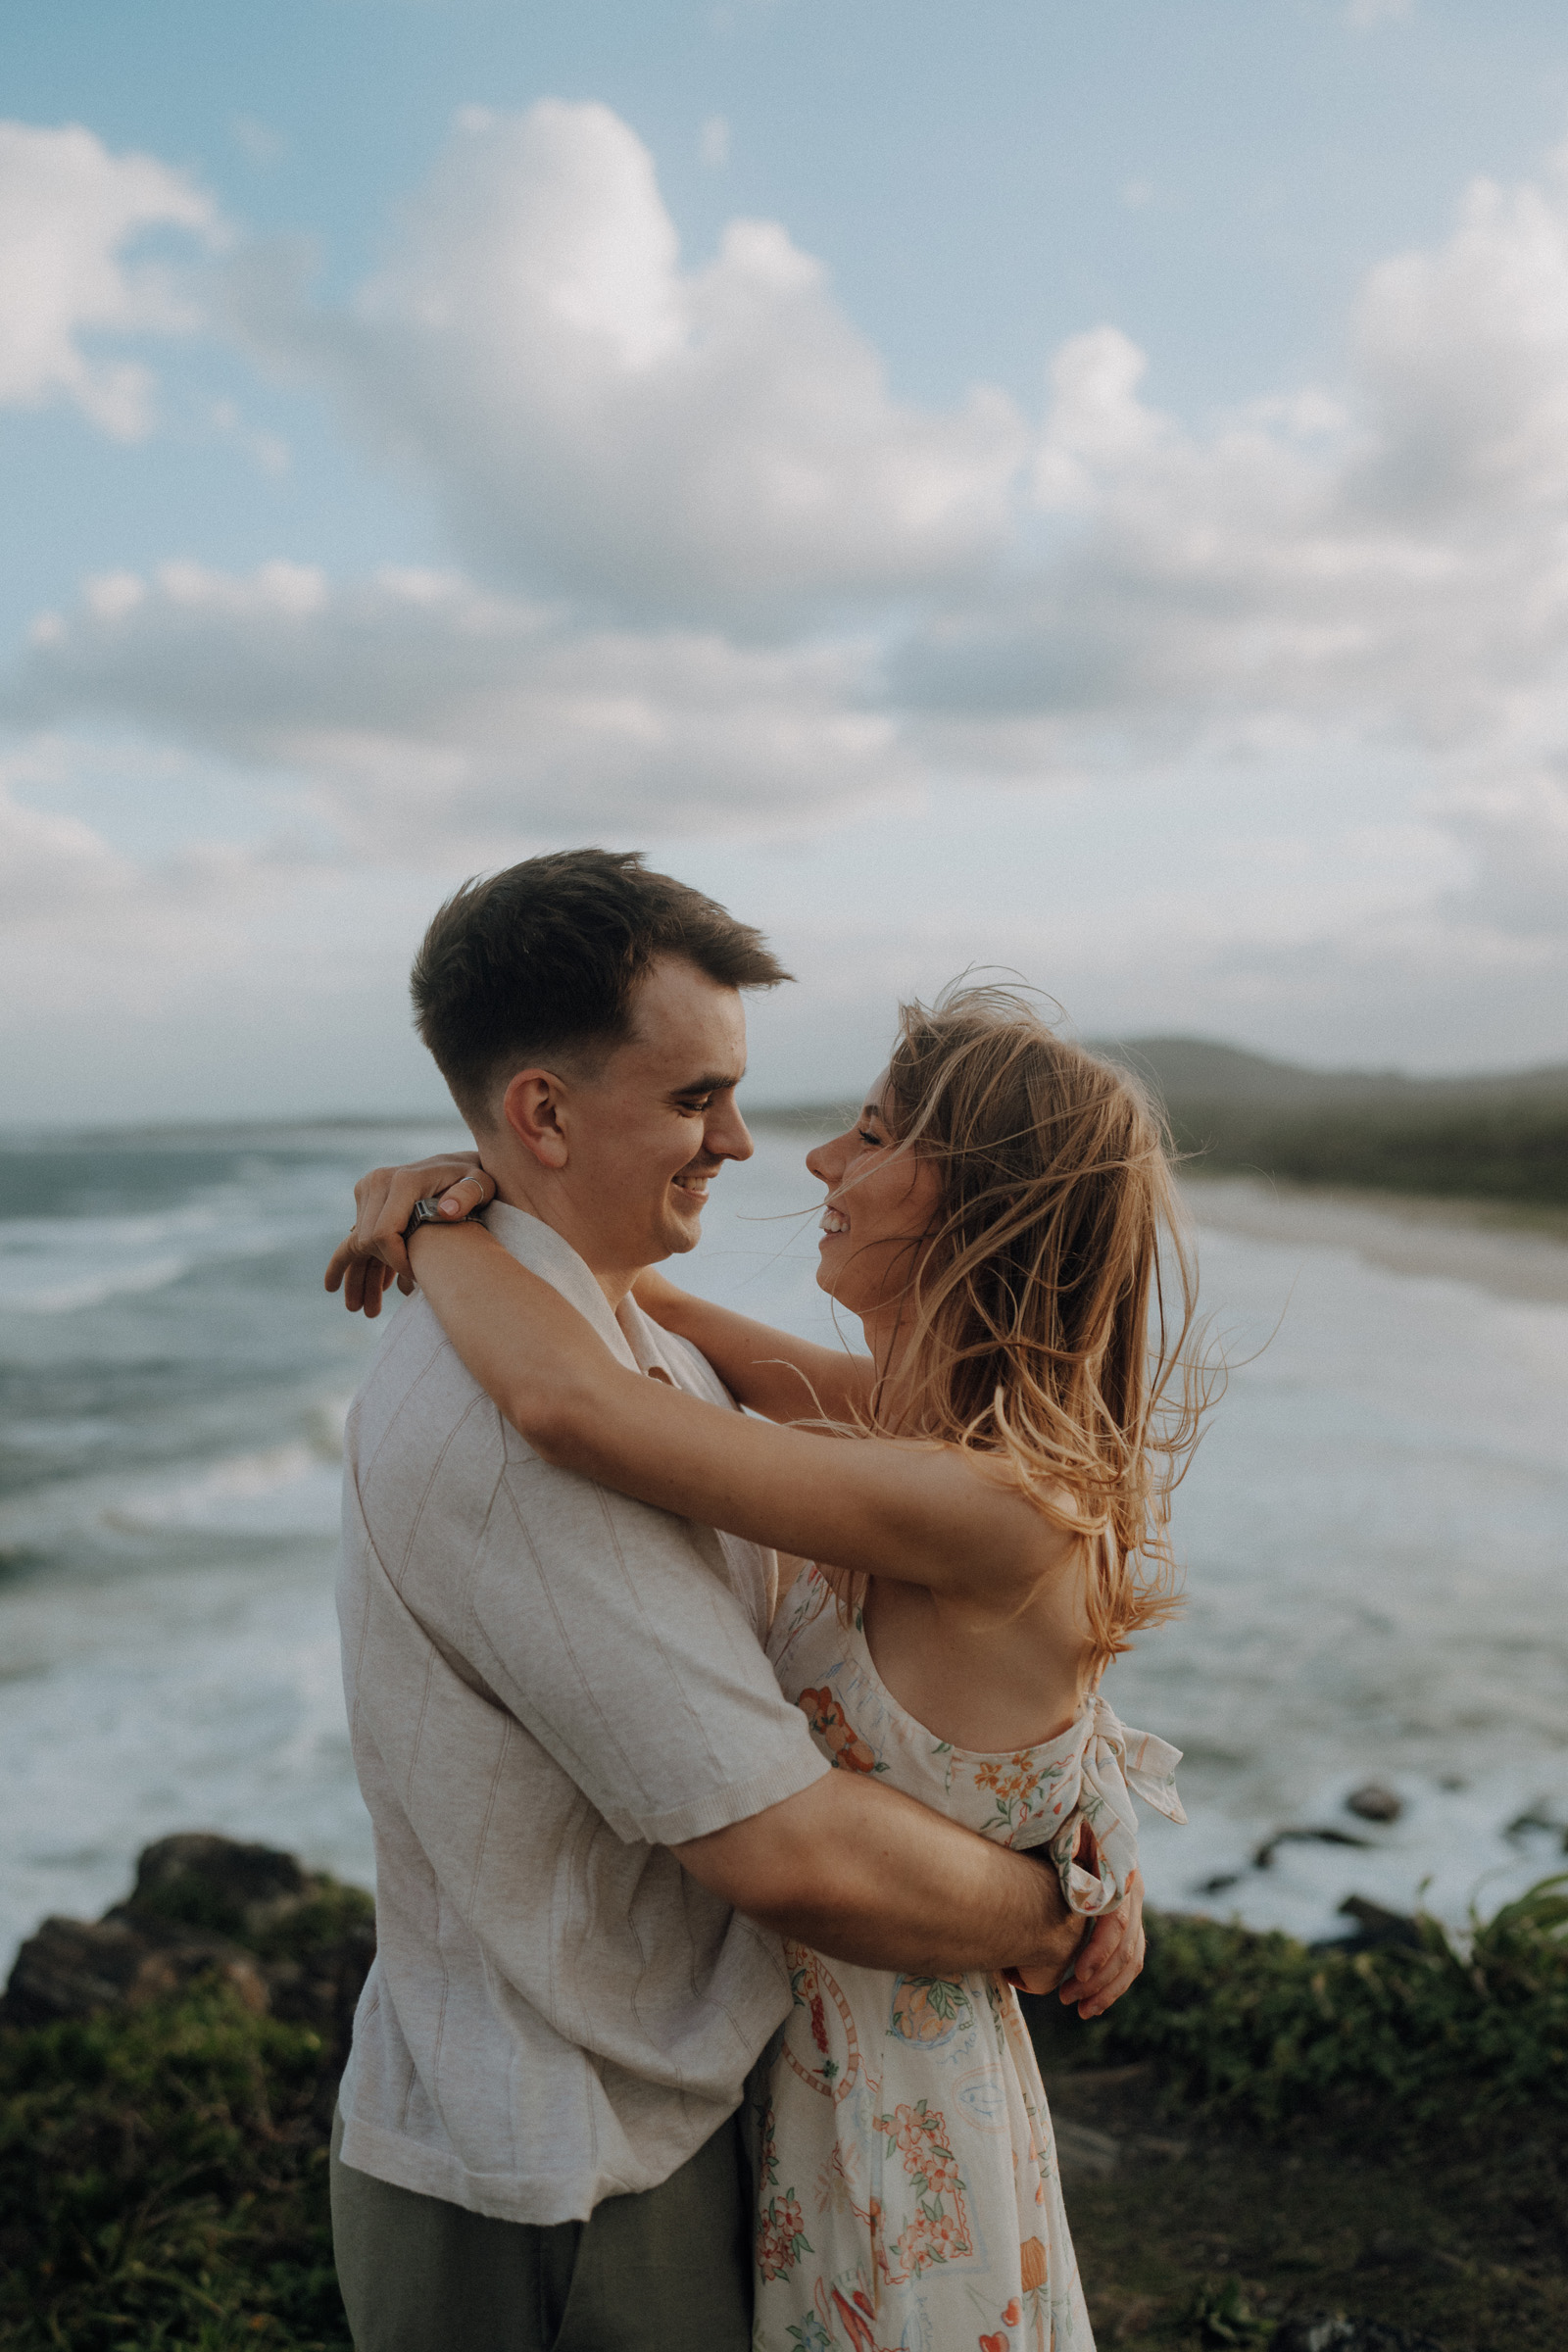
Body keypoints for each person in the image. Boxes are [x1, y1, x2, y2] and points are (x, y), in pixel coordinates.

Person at [323, 851, 1147, 2352]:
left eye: (864, 1130)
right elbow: (783, 1840)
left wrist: (455, 1219)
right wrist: (468, 1223)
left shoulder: (831, 1433)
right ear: (545, 1114)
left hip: (783, 2113)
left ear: (976, 1206)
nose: (773, 1150)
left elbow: (599, 1387)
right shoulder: (532, 1422)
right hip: (558, 2165)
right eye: (698, 1098)